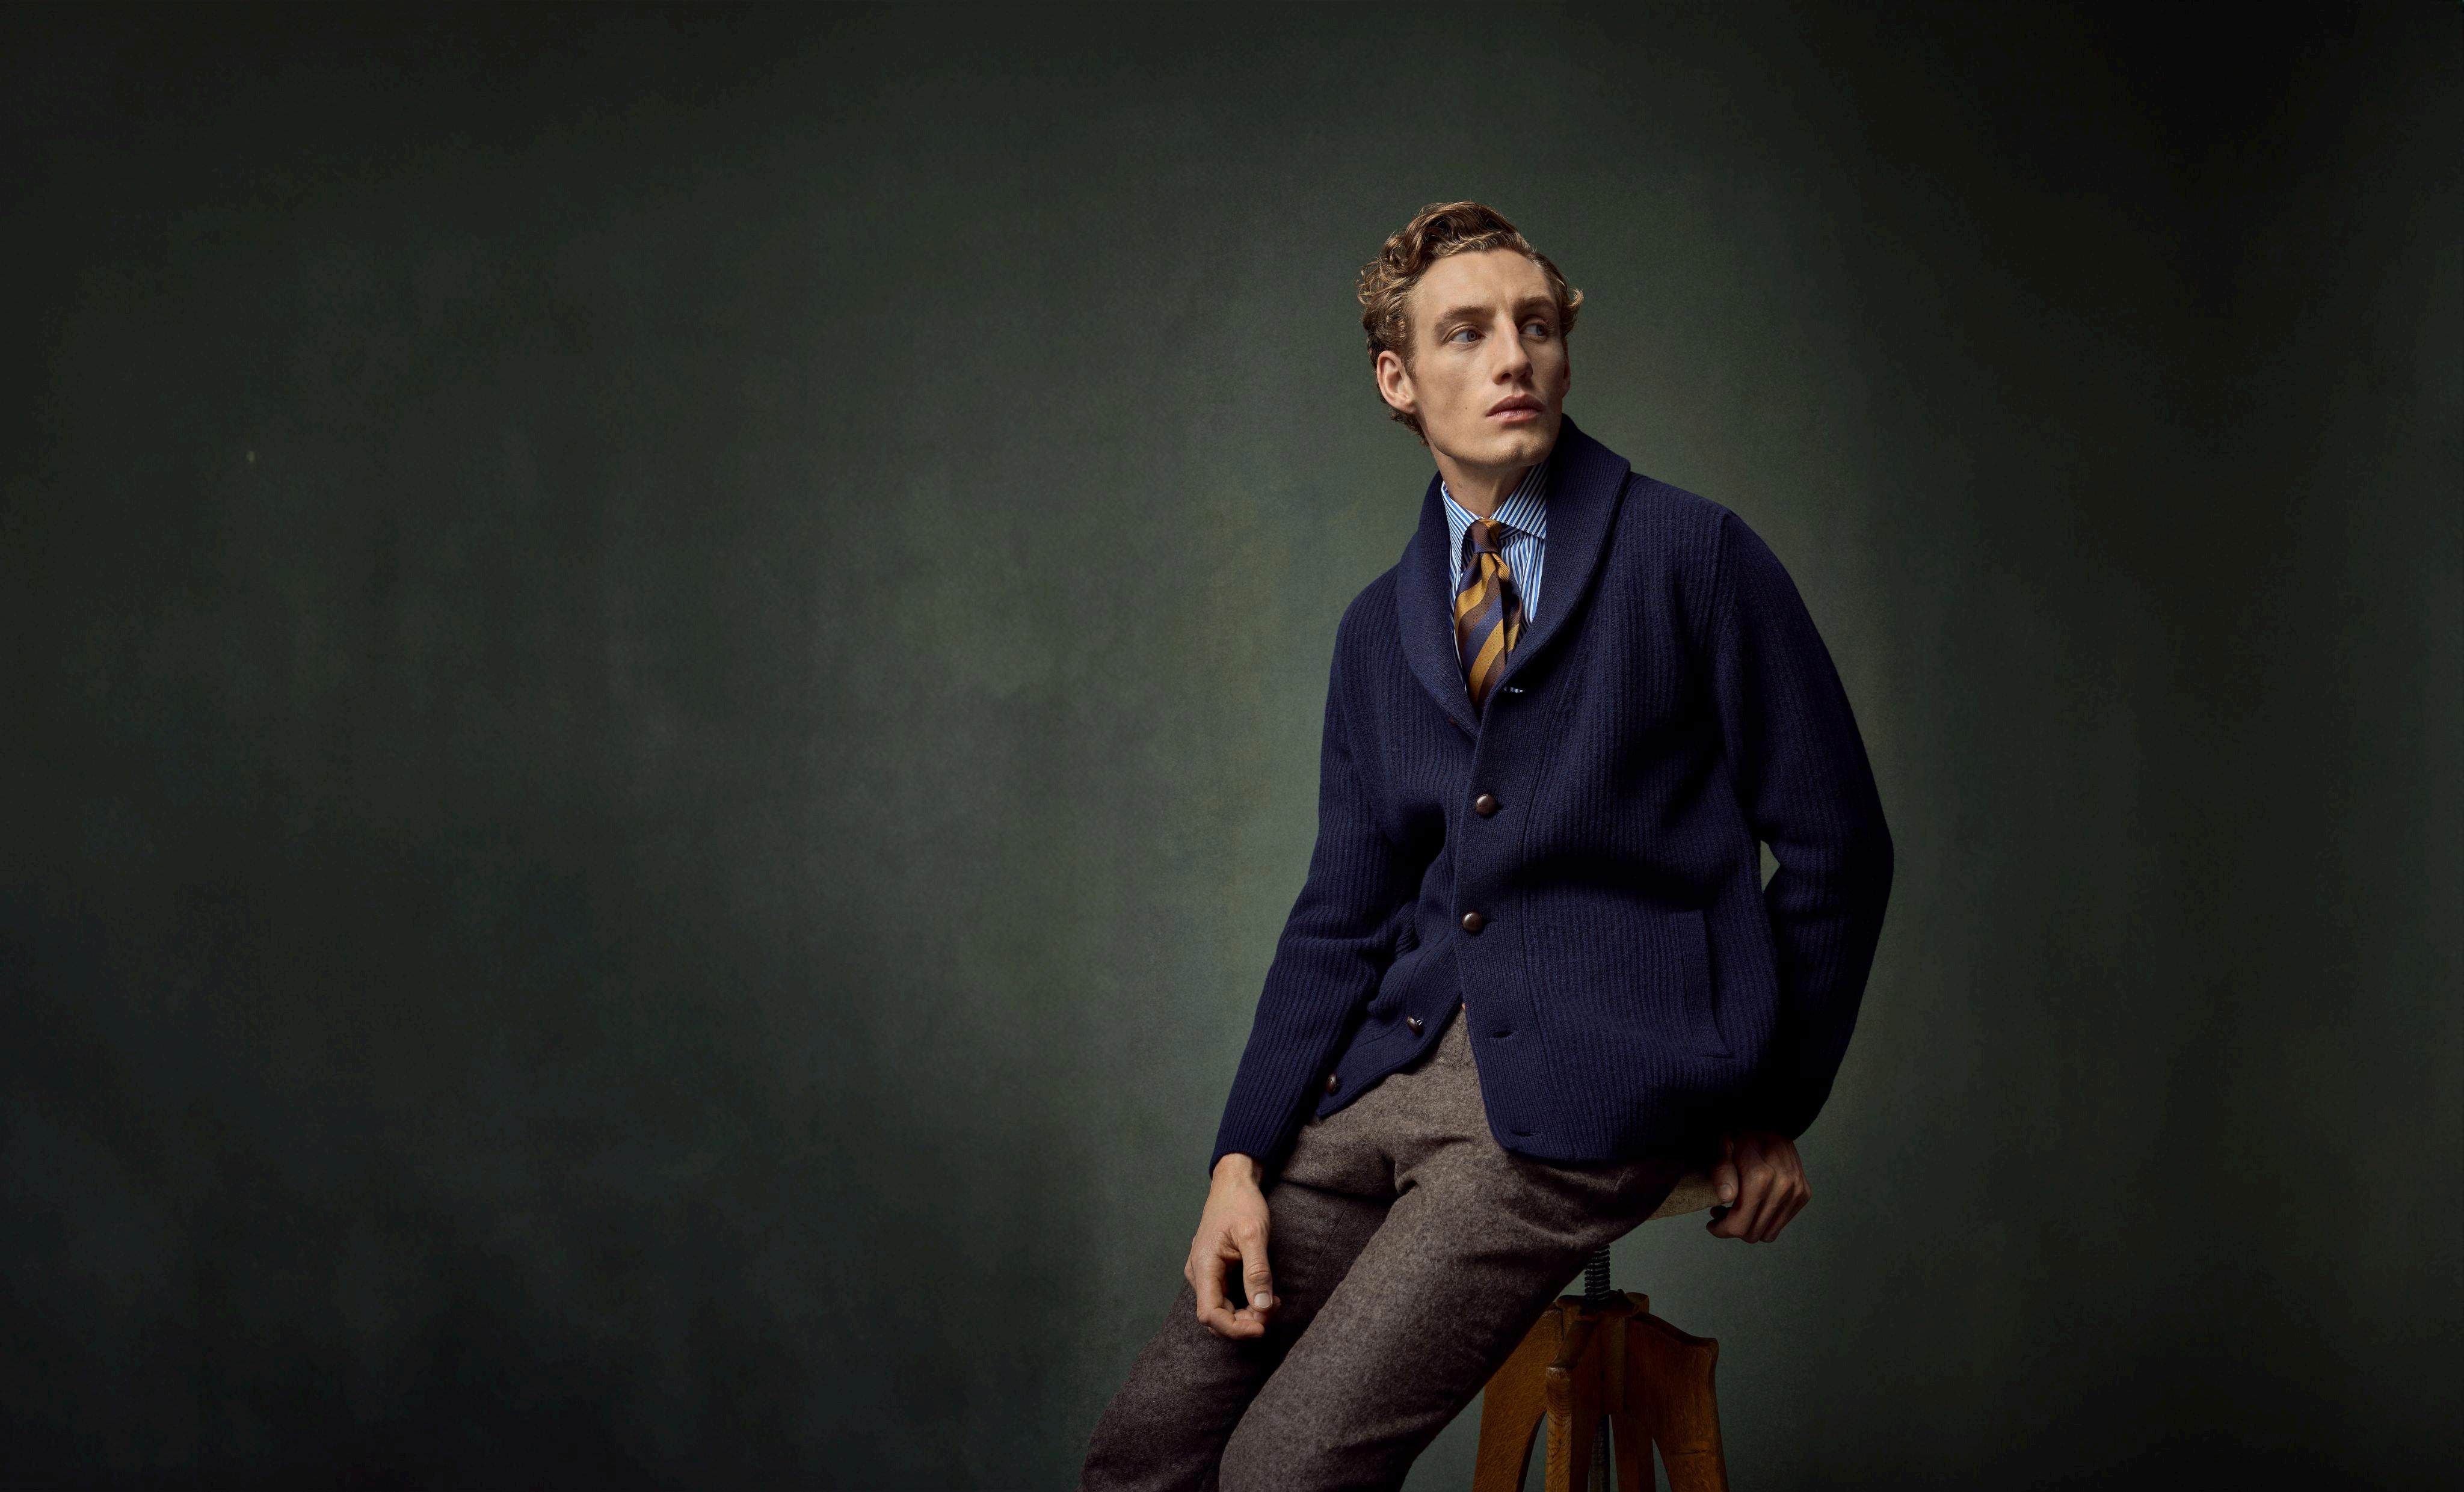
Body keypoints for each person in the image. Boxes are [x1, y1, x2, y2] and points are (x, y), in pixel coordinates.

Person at [1080, 200, 1895, 1491]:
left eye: (1536, 326)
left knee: (1284, 1470)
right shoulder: (1376, 628)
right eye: (1465, 333)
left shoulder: (1693, 557)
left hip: (1576, 1104)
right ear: (1396, 379)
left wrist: (1761, 1103)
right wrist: (1238, 1157)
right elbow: (1341, 912)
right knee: (1141, 1454)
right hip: (1374, 1090)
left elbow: (1839, 848)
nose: (1513, 356)